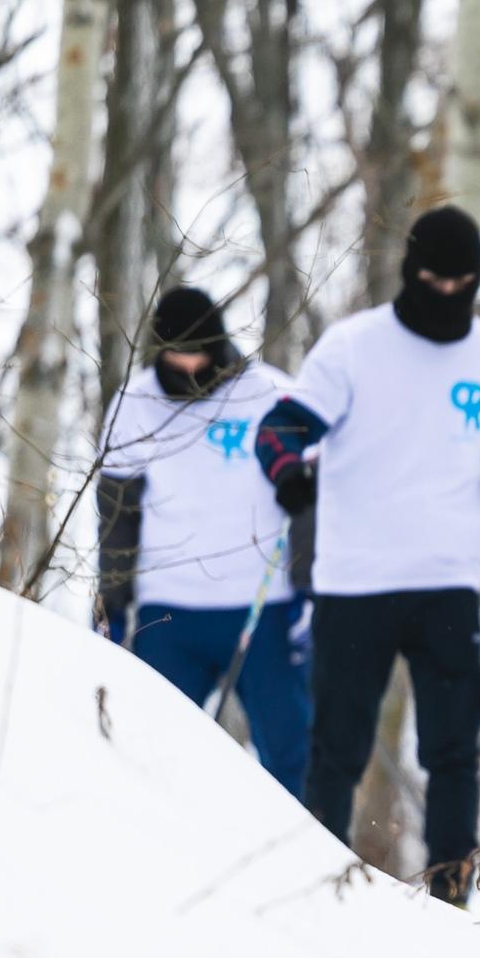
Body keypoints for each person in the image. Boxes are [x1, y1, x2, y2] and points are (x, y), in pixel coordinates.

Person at [254, 206, 480, 906]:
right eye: (433, 280)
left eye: (462, 282)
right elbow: (279, 429)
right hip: (354, 584)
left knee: (453, 750)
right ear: (409, 273)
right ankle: (315, 888)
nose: (448, 293)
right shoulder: (355, 347)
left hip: (448, 581)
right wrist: (288, 473)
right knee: (337, 747)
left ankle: (449, 896)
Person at [94, 286, 313, 800]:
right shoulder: (134, 404)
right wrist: (112, 605)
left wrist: (309, 591)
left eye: (199, 354)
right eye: (175, 357)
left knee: (290, 752)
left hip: (265, 609)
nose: (189, 367)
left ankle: (303, 867)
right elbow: (116, 519)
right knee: (152, 750)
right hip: (170, 611)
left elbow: (310, 506)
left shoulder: (271, 396)